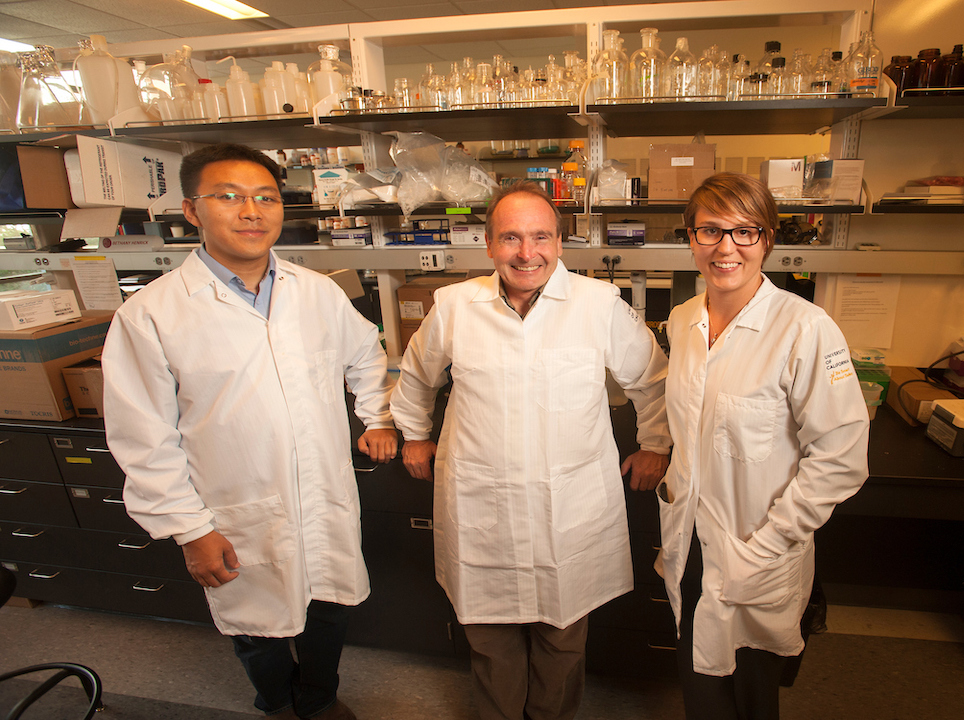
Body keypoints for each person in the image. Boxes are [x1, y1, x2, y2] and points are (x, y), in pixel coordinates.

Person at [102, 143, 397, 720]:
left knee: (329, 607)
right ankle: (277, 702)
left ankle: (318, 699)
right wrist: (189, 530)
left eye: (265, 198)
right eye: (229, 197)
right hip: (232, 507)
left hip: (322, 494)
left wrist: (375, 415)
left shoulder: (316, 292)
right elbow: (144, 437)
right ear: (192, 211)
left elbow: (366, 353)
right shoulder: (153, 314)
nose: (251, 211)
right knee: (252, 619)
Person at [389, 181, 670, 720]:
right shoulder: (454, 306)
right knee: (490, 636)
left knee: (562, 636)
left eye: (540, 237)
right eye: (511, 238)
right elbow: (416, 376)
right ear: (489, 246)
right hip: (481, 500)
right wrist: (416, 433)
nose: (527, 252)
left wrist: (655, 443)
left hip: (568, 504)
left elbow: (652, 380)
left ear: (559, 243)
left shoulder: (597, 304)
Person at [656, 173, 869, 720]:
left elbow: (840, 460)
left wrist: (769, 545)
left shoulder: (805, 329)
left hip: (759, 547)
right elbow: (685, 426)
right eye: (710, 231)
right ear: (690, 239)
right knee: (700, 688)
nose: (726, 248)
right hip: (690, 543)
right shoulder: (683, 321)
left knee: (752, 698)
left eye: (744, 231)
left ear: (767, 240)